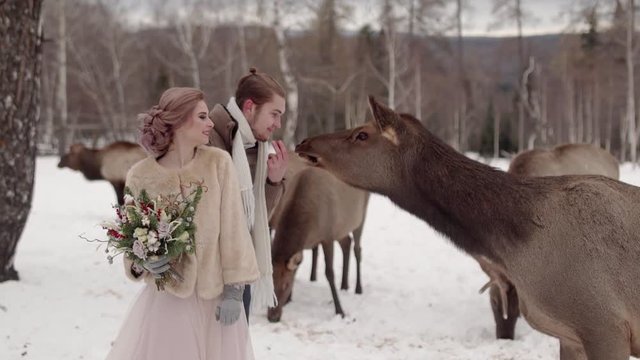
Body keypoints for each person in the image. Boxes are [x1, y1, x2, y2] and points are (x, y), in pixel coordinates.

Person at [106, 87, 259, 360]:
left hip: (216, 301)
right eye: (202, 116)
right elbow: (132, 239)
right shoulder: (140, 176)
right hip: (168, 302)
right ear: (177, 121)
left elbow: (234, 231)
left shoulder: (218, 164)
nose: (210, 123)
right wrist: (142, 261)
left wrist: (235, 291)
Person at [208, 68, 288, 319]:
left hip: (240, 273)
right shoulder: (209, 138)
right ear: (250, 107)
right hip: (207, 276)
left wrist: (274, 182)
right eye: (274, 114)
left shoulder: (257, 148)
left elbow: (254, 218)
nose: (278, 124)